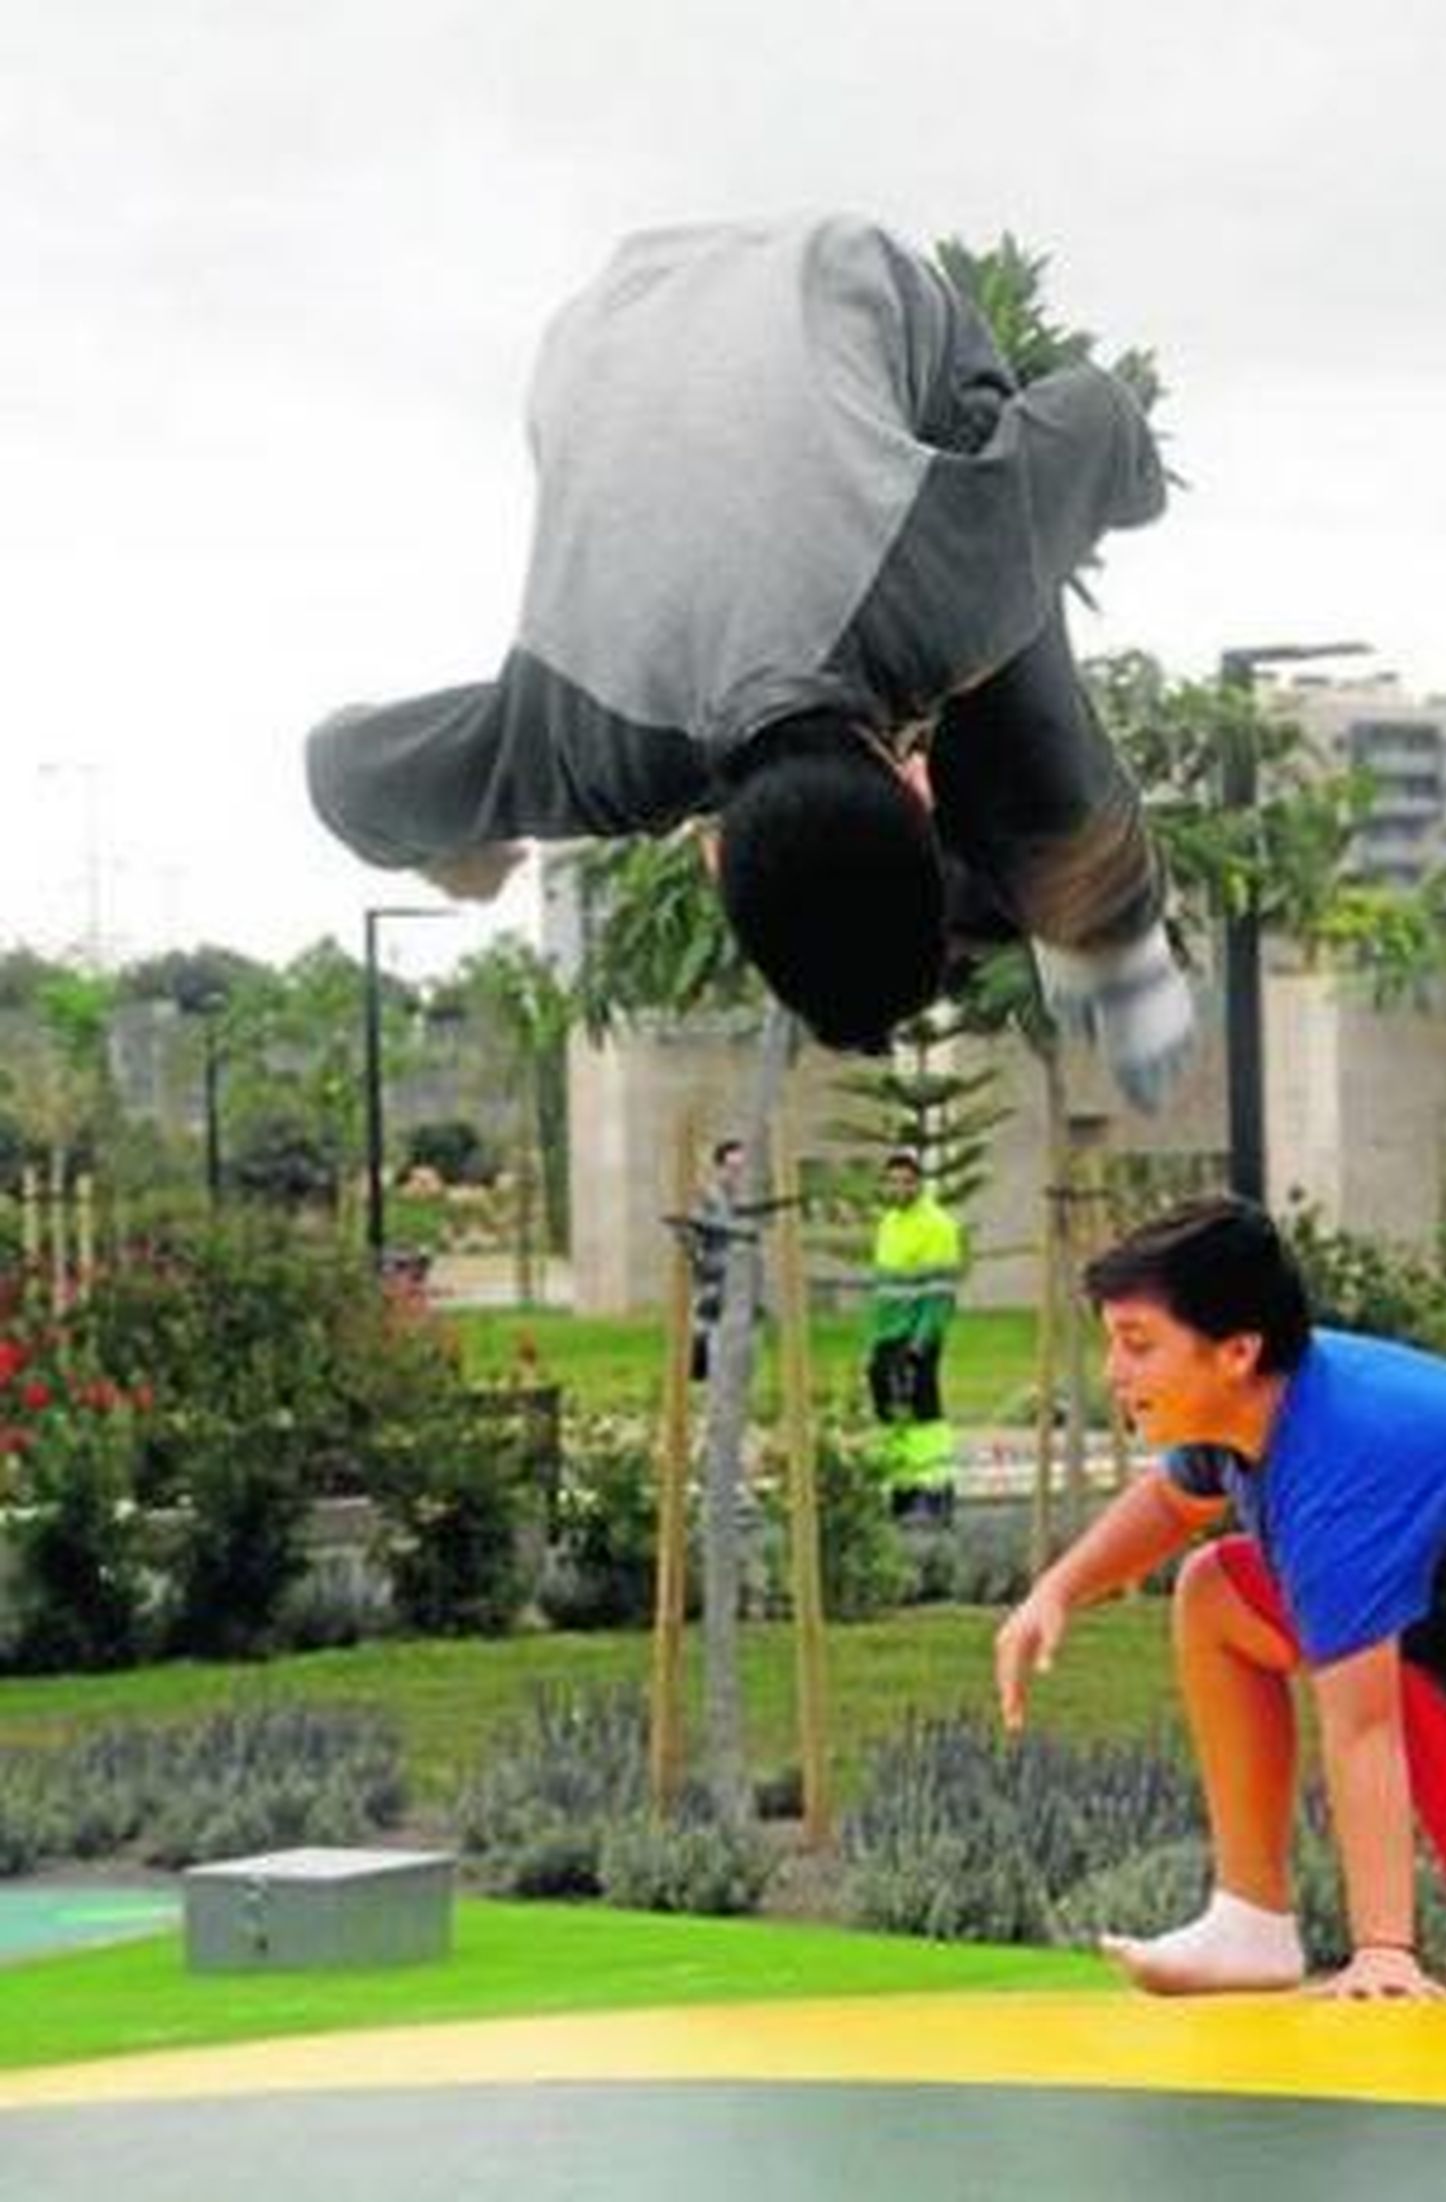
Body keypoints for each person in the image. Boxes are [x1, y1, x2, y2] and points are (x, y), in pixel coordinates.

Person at [305, 214, 1193, 1109]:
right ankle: (1094, 918)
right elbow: (343, 774)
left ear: (917, 789)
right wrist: (450, 836)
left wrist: (1105, 508)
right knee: (992, 658)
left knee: (1004, 691)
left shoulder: (940, 593)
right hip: (613, 330)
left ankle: (1102, 926)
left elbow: (1106, 416)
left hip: (744, 300)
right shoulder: (578, 748)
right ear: (718, 859)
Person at [994, 1195, 1446, 2001]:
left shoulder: (1342, 1468)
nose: (1115, 1373)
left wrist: (1383, 1950)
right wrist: (1058, 1589)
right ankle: (1250, 1923)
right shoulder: (1253, 1404)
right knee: (1217, 1591)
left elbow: (1362, 1726)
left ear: (1237, 1351)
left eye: (1138, 1346)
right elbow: (1176, 1506)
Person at [867, 1150, 963, 1519]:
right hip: (887, 1334)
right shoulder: (888, 1223)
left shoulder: (938, 1226)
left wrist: (921, 1344)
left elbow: (940, 1293)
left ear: (919, 1184)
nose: (898, 1188)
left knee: (924, 1411)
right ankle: (904, 1488)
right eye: (892, 1181)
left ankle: (936, 1490)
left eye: (906, 1181)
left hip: (916, 1336)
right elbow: (885, 1289)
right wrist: (876, 1339)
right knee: (890, 1412)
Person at [687, 1137, 747, 1383]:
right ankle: (702, 1367)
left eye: (741, 1169)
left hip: (738, 1271)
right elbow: (692, 1232)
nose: (737, 1174)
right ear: (720, 1167)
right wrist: (702, 1261)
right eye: (732, 1168)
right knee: (708, 1319)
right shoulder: (709, 1197)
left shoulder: (740, 1198)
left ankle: (725, 1369)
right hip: (714, 1269)